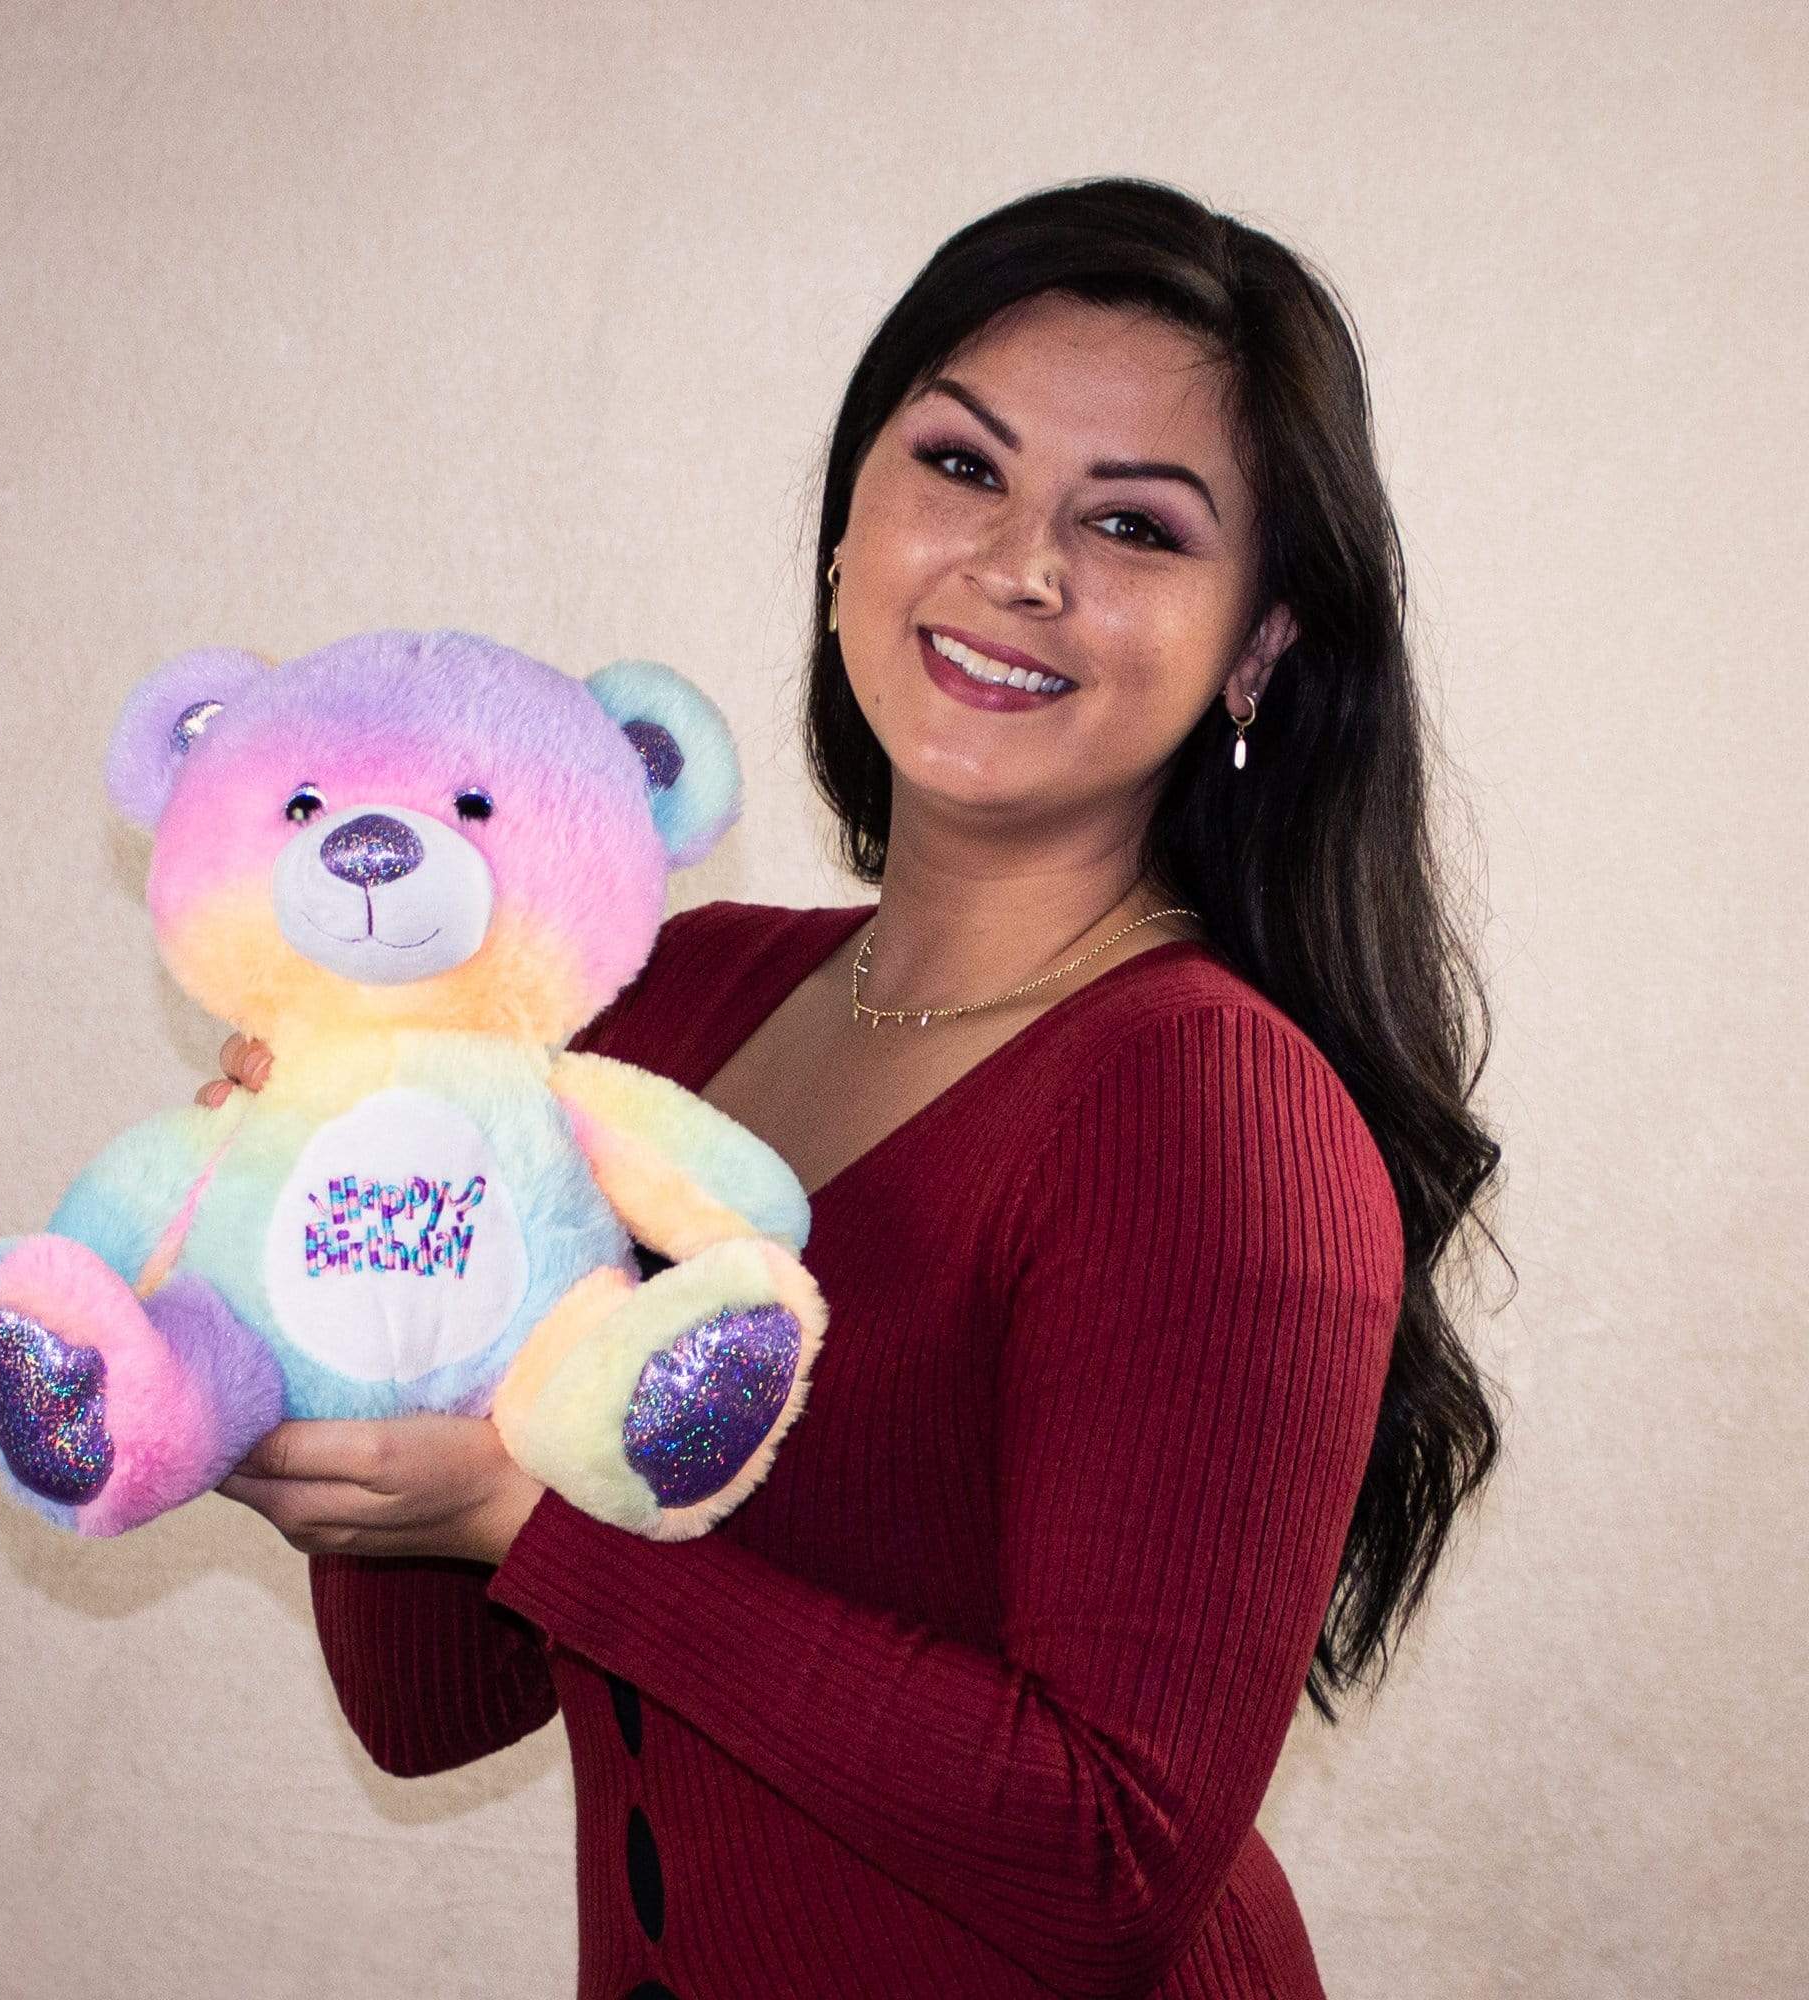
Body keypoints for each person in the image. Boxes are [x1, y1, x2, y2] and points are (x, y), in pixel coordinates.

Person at [216, 176, 1507, 1999]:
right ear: (848, 527)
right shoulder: (669, 997)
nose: (1020, 566)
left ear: (1259, 650)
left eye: (1134, 525)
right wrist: (341, 1264)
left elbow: (1113, 1860)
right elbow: (441, 1707)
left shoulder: (1215, 1112)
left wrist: (538, 1527)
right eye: (961, 469)